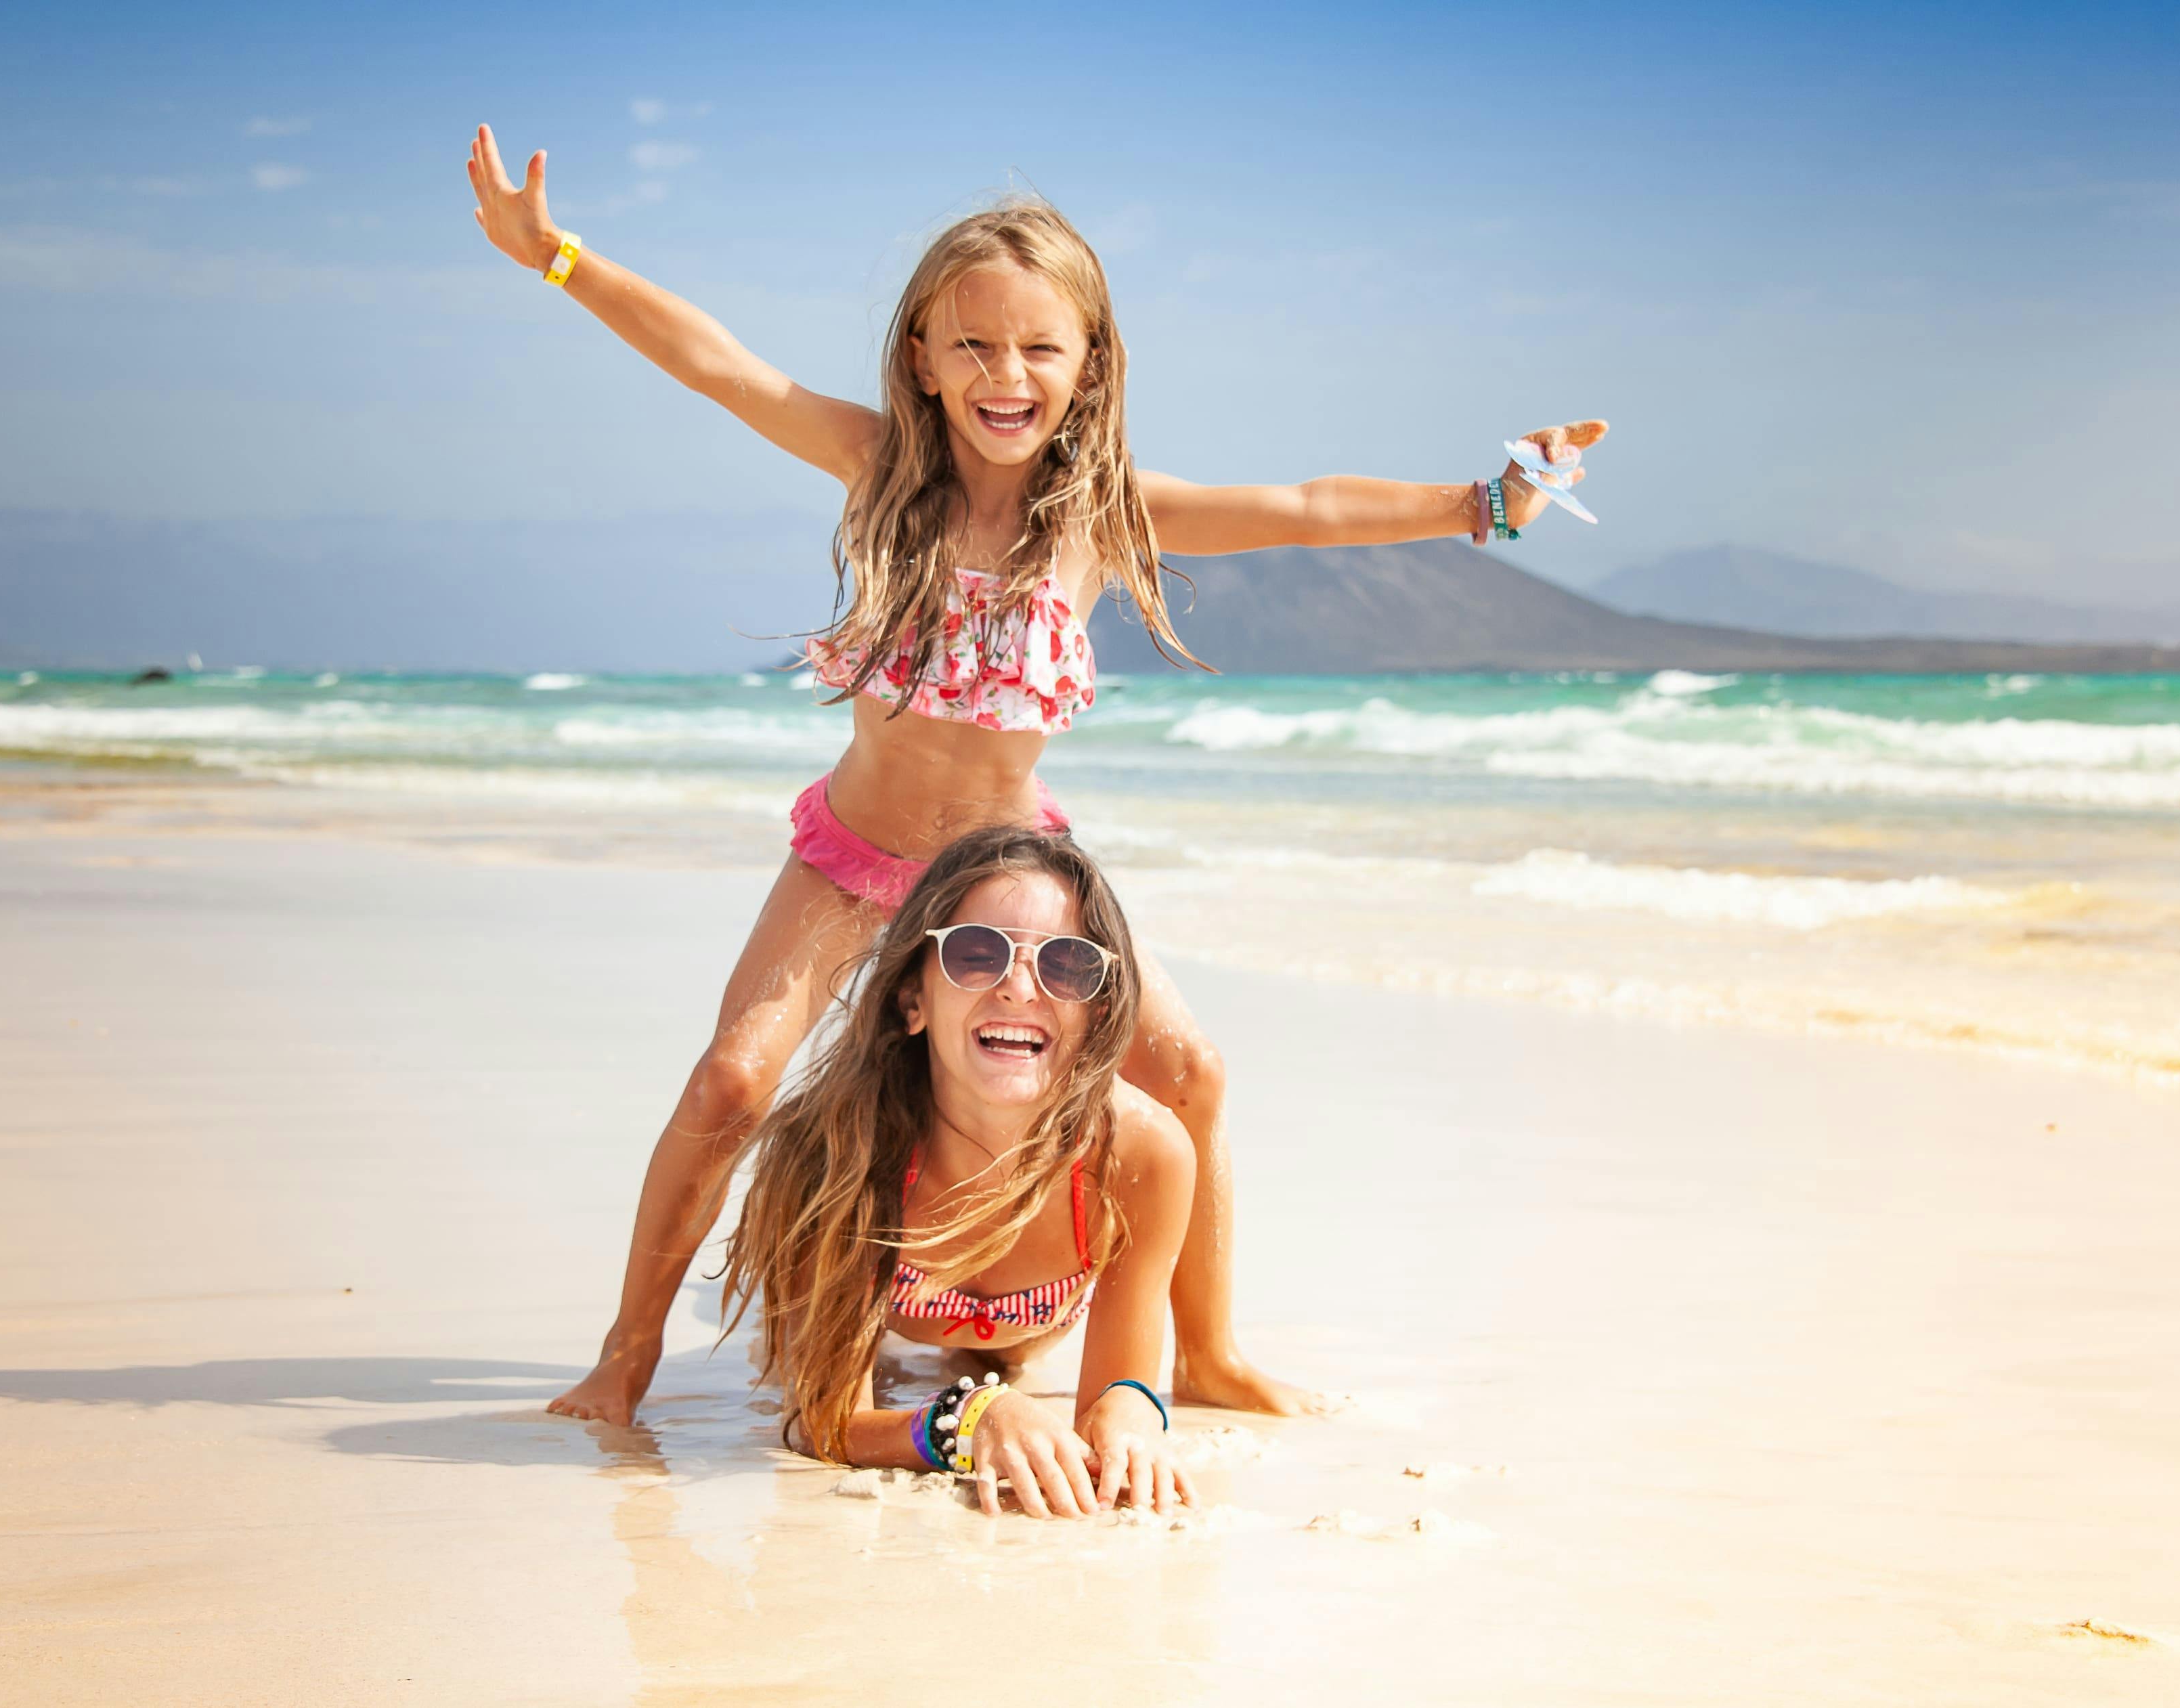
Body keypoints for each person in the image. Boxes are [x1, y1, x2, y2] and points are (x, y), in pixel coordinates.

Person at [462, 123, 1603, 1426]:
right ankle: (624, 1360)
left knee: (1192, 1072)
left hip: (1007, 883)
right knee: (730, 1080)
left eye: (1039, 347)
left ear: (1089, 365)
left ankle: (1208, 1353)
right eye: (975, 343)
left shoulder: (1107, 517)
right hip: (853, 856)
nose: (1007, 373)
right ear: (924, 360)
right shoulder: (877, 470)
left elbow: (1306, 504)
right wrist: (552, 255)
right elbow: (719, 367)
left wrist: (1485, 502)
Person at [720, 823, 1194, 1518]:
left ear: (1095, 1011)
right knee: (851, 1344)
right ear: (913, 999)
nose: (1019, 988)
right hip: (877, 1286)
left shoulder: (1141, 1154)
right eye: (977, 955)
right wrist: (964, 1420)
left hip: (1027, 1330)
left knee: (1009, 1367)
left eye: (1065, 964)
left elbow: (1117, 1390)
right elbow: (822, 1419)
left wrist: (1132, 1418)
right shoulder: (836, 1149)